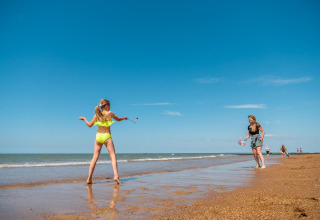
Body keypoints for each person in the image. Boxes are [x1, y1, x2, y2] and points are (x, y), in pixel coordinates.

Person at [79, 99, 127, 184]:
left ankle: (89, 179)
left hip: (98, 137)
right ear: (106, 106)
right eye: (109, 105)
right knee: (113, 156)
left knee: (94, 158)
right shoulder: (110, 113)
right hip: (106, 136)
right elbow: (118, 119)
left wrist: (84, 119)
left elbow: (89, 125)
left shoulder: (97, 115)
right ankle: (116, 176)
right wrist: (124, 118)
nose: (110, 107)